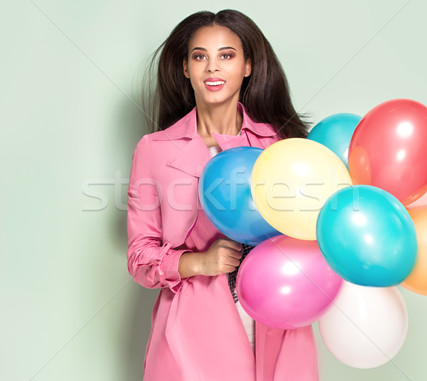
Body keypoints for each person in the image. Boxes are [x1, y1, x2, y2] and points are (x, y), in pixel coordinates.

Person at [127, 9, 319, 381]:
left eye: (226, 55)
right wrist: (198, 263)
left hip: (280, 320)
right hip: (193, 329)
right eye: (200, 56)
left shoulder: (280, 145)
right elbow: (139, 256)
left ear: (248, 65)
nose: (212, 68)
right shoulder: (155, 149)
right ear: (185, 68)